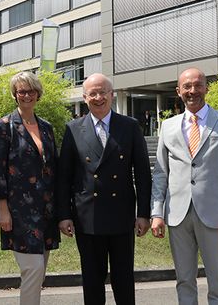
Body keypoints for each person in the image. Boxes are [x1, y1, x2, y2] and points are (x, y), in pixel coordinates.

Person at [150, 67, 218, 305]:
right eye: (187, 87)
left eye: (197, 85)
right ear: (178, 91)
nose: (193, 91)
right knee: (184, 281)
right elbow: (161, 173)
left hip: (215, 216)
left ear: (206, 88)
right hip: (178, 215)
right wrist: (156, 213)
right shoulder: (168, 126)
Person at [57, 73, 152, 305]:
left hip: (121, 216)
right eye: (93, 93)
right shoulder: (73, 128)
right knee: (92, 281)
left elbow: (142, 173)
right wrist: (64, 215)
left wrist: (144, 214)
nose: (98, 97)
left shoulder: (129, 126)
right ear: (85, 97)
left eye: (103, 92)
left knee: (124, 280)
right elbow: (64, 176)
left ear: (112, 94)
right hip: (87, 217)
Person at [0, 71, 60, 305]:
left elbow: (54, 167)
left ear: (38, 94)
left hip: (46, 209)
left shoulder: (46, 127)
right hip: (18, 210)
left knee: (39, 271)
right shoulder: (4, 126)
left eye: (31, 90)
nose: (26, 95)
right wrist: (2, 210)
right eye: (22, 91)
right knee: (33, 268)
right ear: (15, 95)